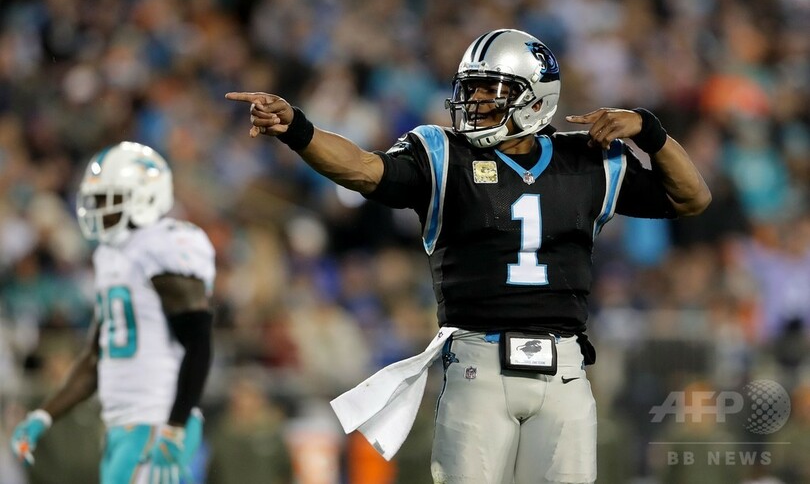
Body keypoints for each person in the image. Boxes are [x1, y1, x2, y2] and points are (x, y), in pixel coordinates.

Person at [227, 28, 711, 484]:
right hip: (478, 364)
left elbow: (692, 198)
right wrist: (298, 130)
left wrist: (651, 133)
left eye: (491, 90)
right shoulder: (444, 154)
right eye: (471, 89)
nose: (475, 101)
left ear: (535, 98)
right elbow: (363, 169)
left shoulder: (588, 159)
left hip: (565, 368)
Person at [9, 141, 216, 484]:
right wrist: (43, 415)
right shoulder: (111, 255)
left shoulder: (161, 247)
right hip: (123, 425)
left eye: (108, 198)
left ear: (145, 196)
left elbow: (199, 341)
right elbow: (96, 356)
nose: (98, 208)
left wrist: (175, 426)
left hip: (157, 422)